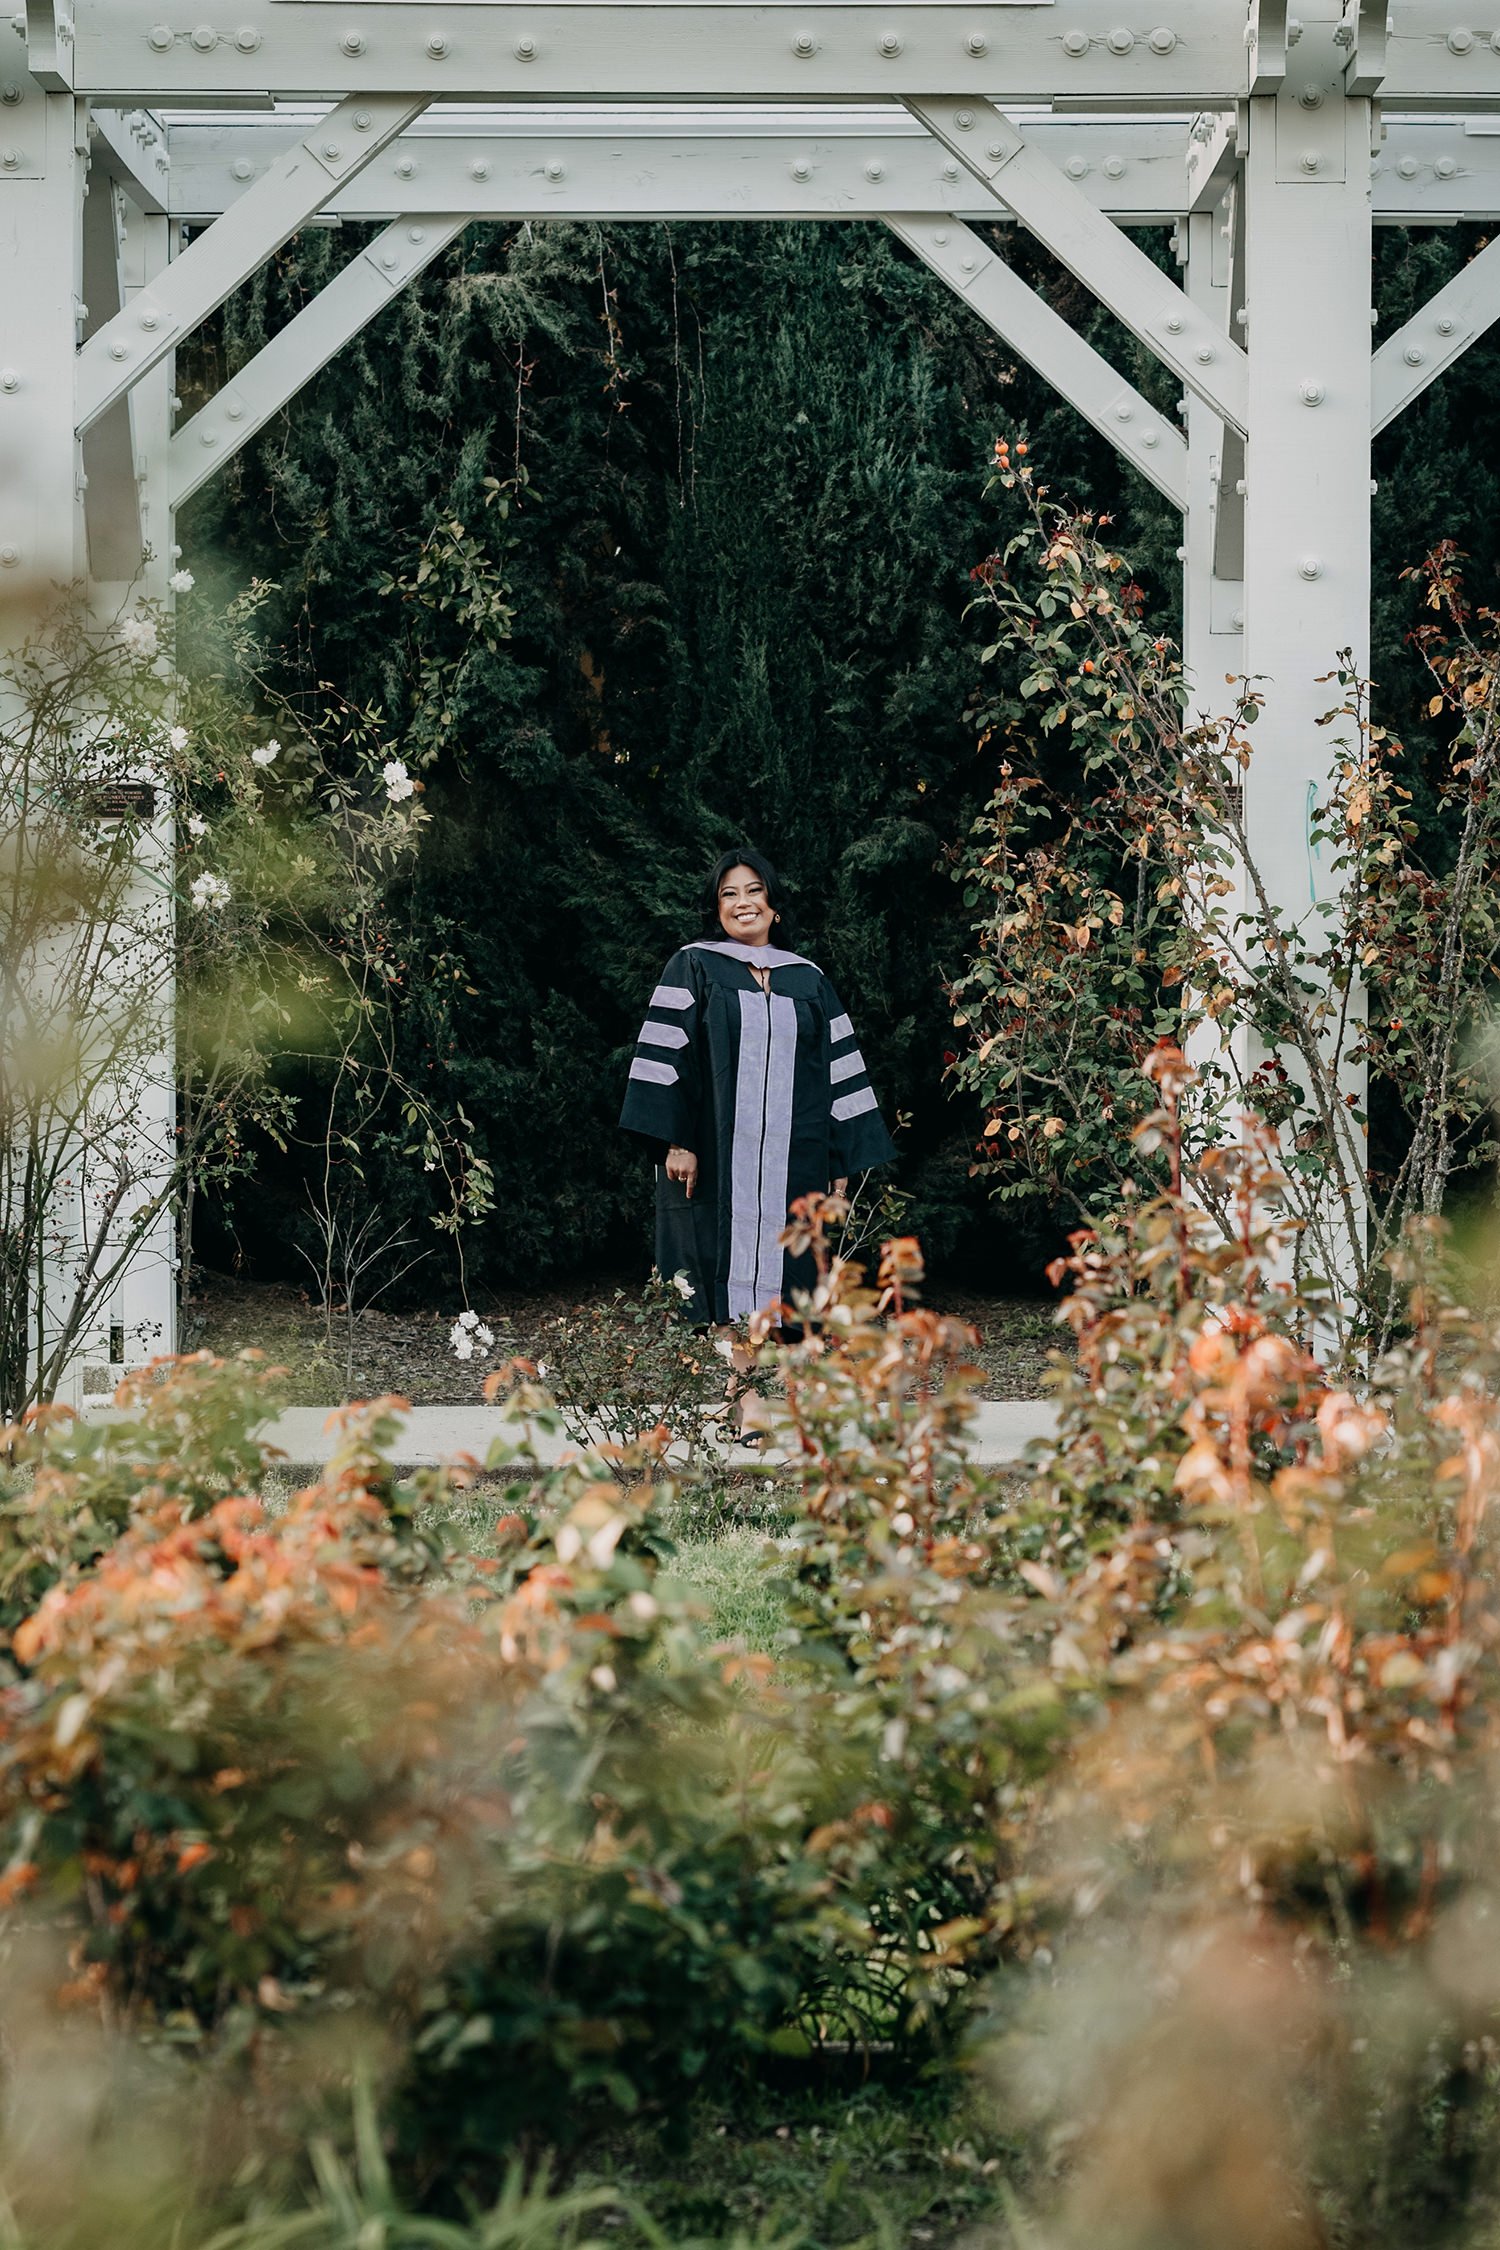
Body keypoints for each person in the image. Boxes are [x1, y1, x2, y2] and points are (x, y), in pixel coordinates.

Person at [619, 848, 895, 1327]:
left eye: (754, 890)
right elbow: (666, 1058)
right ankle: (740, 1396)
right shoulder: (694, 967)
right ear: (716, 907)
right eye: (729, 894)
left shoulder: (808, 979)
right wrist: (675, 1141)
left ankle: (757, 1396)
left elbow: (838, 1069)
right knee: (715, 1273)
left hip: (795, 1163)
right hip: (713, 1157)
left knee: (793, 1283)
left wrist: (837, 1159)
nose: (742, 902)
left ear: (774, 904)